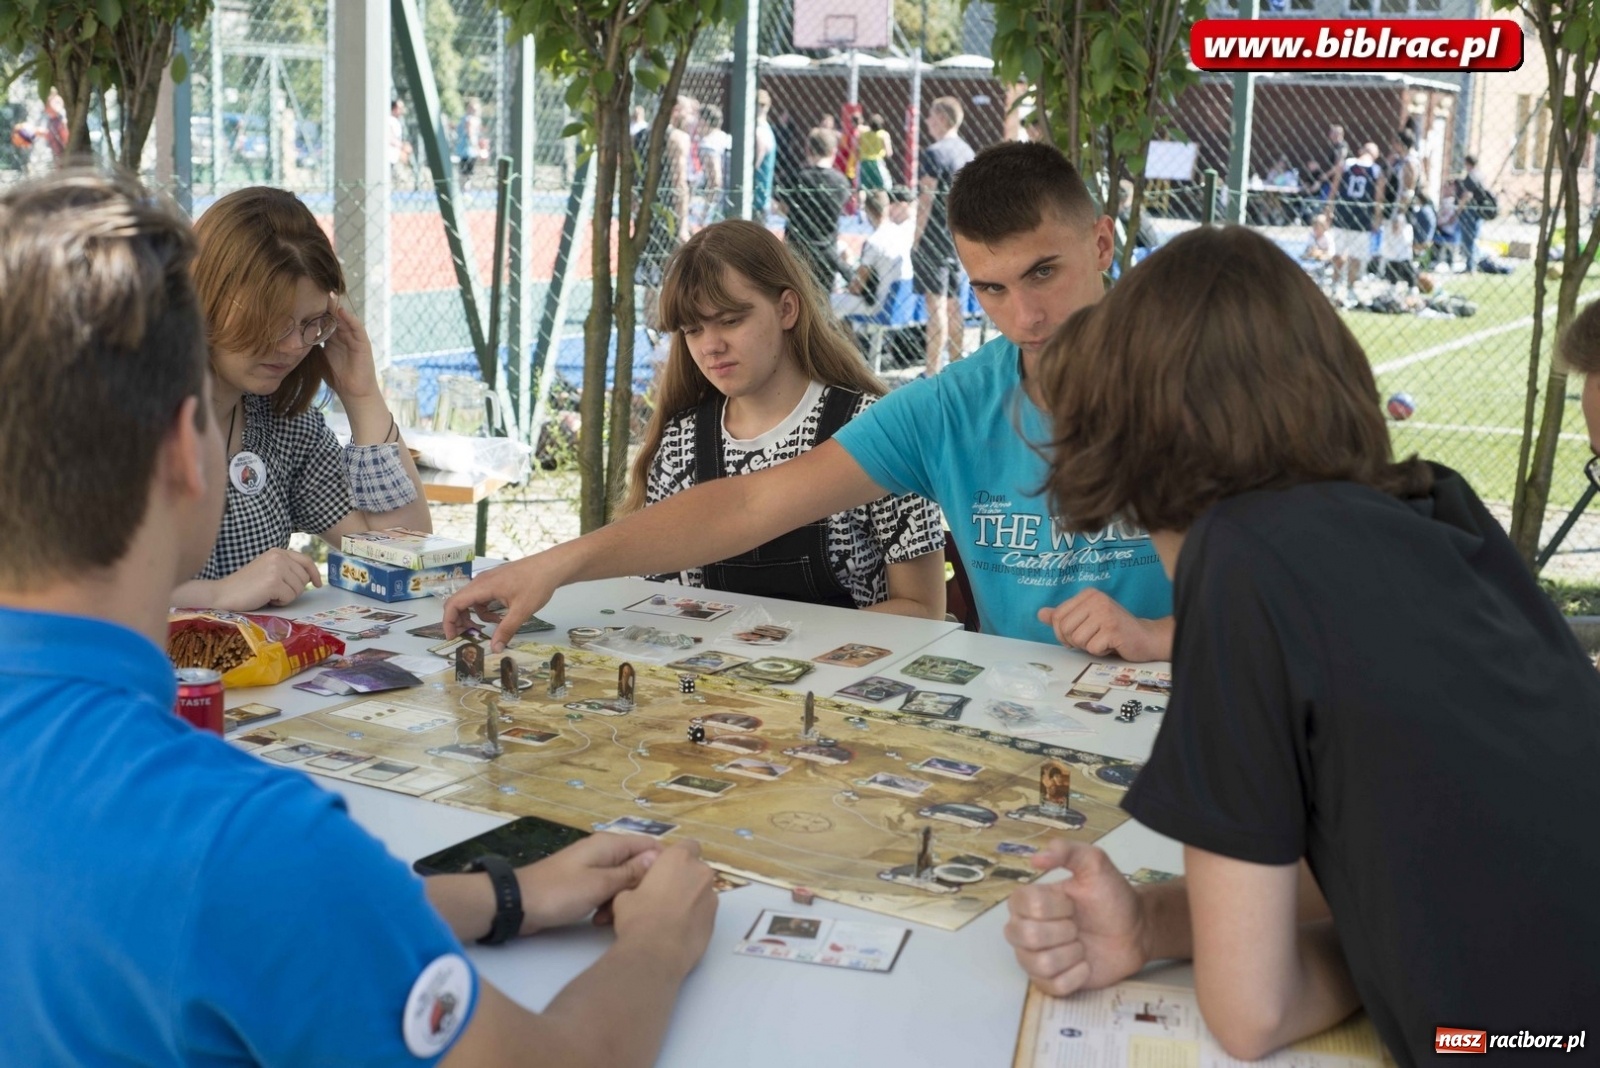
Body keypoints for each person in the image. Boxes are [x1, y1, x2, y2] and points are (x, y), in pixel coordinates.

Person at [0, 169, 719, 1068]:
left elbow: (256, 910)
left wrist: (502, 896)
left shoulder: (245, 863)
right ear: (187, 448)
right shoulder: (246, 840)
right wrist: (659, 943)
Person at [1003, 224, 1600, 1067]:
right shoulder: (1439, 506)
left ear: (1135, 452)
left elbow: (1252, 1013)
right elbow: (1393, 867)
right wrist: (1152, 922)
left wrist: (1177, 931)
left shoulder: (1239, 556)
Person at [444, 142, 1175, 657]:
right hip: (1022, 716)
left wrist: (1157, 638)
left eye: (1043, 273)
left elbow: (1284, 597)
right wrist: (554, 564)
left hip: (1196, 705)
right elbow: (748, 505)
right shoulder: (951, 405)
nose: (1024, 317)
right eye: (991, 288)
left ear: (1104, 244)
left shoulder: (1190, 385)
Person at [625, 220, 944, 615]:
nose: (711, 346)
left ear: (787, 309)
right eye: (692, 330)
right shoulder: (680, 445)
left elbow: (923, 608)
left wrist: (781, 650)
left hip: (848, 673)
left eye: (730, 320)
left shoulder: (875, 432)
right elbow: (658, 601)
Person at [170, 186, 432, 612]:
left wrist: (363, 397)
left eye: (312, 324)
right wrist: (215, 596)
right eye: (272, 322)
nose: (294, 346)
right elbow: (72, 595)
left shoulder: (284, 426)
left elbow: (405, 560)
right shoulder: (122, 421)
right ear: (206, 302)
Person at [914, 96, 977, 375]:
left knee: (935, 303)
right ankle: (958, 364)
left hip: (934, 236)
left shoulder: (935, 153)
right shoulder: (967, 152)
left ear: (940, 118)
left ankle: (932, 370)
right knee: (954, 303)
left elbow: (925, 199)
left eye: (930, 116)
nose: (927, 122)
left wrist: (916, 237)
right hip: (957, 235)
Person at [777, 127, 851, 295]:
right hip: (826, 249)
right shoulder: (840, 181)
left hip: (797, 247)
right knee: (822, 299)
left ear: (808, 149)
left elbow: (782, 208)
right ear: (833, 151)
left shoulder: (796, 177)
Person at [831, 189, 915, 319]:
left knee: (827, 302)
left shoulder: (874, 241)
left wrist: (845, 288)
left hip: (880, 306)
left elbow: (857, 287)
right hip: (903, 305)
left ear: (868, 211)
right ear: (887, 207)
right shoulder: (901, 234)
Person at [1327, 140, 1382, 302]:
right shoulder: (1376, 171)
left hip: (1343, 213)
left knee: (1338, 253)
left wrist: (1329, 208)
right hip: (1362, 217)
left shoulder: (1346, 164)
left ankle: (1336, 285)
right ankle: (1350, 288)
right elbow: (1378, 198)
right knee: (1356, 257)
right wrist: (1377, 219)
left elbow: (1334, 187)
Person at [695, 103, 732, 221]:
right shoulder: (726, 138)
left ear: (704, 121)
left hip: (720, 204)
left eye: (698, 119)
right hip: (733, 197)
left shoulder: (708, 144)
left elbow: (715, 181)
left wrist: (705, 212)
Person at [1456, 154, 1489, 272]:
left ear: (1468, 163)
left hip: (1469, 211)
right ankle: (1472, 264)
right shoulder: (1480, 175)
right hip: (1477, 211)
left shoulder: (1471, 177)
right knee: (1474, 238)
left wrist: (1459, 209)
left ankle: (1470, 266)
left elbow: (1467, 195)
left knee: (1468, 239)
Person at [752, 89, 777, 218]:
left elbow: (755, 164)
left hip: (756, 195)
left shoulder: (759, 131)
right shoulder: (767, 129)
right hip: (763, 192)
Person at [856, 113, 893, 191]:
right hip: (877, 161)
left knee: (863, 188)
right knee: (885, 186)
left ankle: (861, 202)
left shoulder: (863, 134)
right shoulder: (883, 134)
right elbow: (889, 152)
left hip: (863, 162)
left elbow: (857, 147)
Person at [455, 97, 484, 186]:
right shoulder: (469, 119)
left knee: (467, 172)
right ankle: (464, 190)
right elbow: (470, 134)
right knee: (465, 172)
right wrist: (477, 148)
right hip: (467, 150)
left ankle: (465, 189)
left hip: (470, 150)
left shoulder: (474, 120)